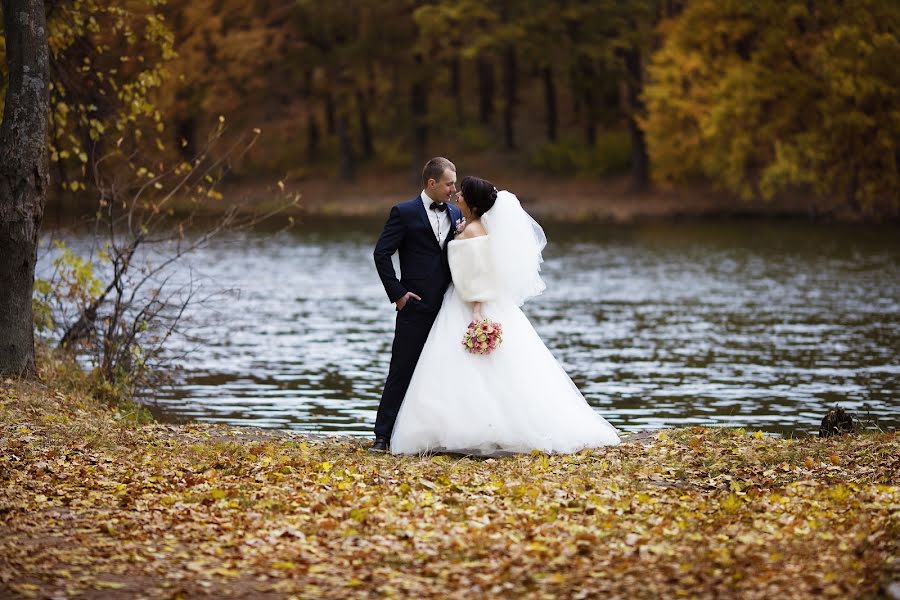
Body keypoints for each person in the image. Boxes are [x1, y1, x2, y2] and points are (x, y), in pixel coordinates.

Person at [390, 176, 620, 455]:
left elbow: (479, 272)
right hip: (459, 298)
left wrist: (476, 310)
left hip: (470, 302)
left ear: (471, 202)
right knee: (467, 367)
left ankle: (480, 427)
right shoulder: (469, 226)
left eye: (462, 192)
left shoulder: (474, 231)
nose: (457, 195)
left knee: (472, 365)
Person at [371, 157, 465, 452]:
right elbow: (381, 254)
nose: (453, 189)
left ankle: (436, 435)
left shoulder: (455, 212)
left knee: (443, 370)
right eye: (449, 183)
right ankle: (383, 436)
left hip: (449, 305)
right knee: (401, 369)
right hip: (414, 305)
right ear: (431, 183)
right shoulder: (404, 212)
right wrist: (398, 294)